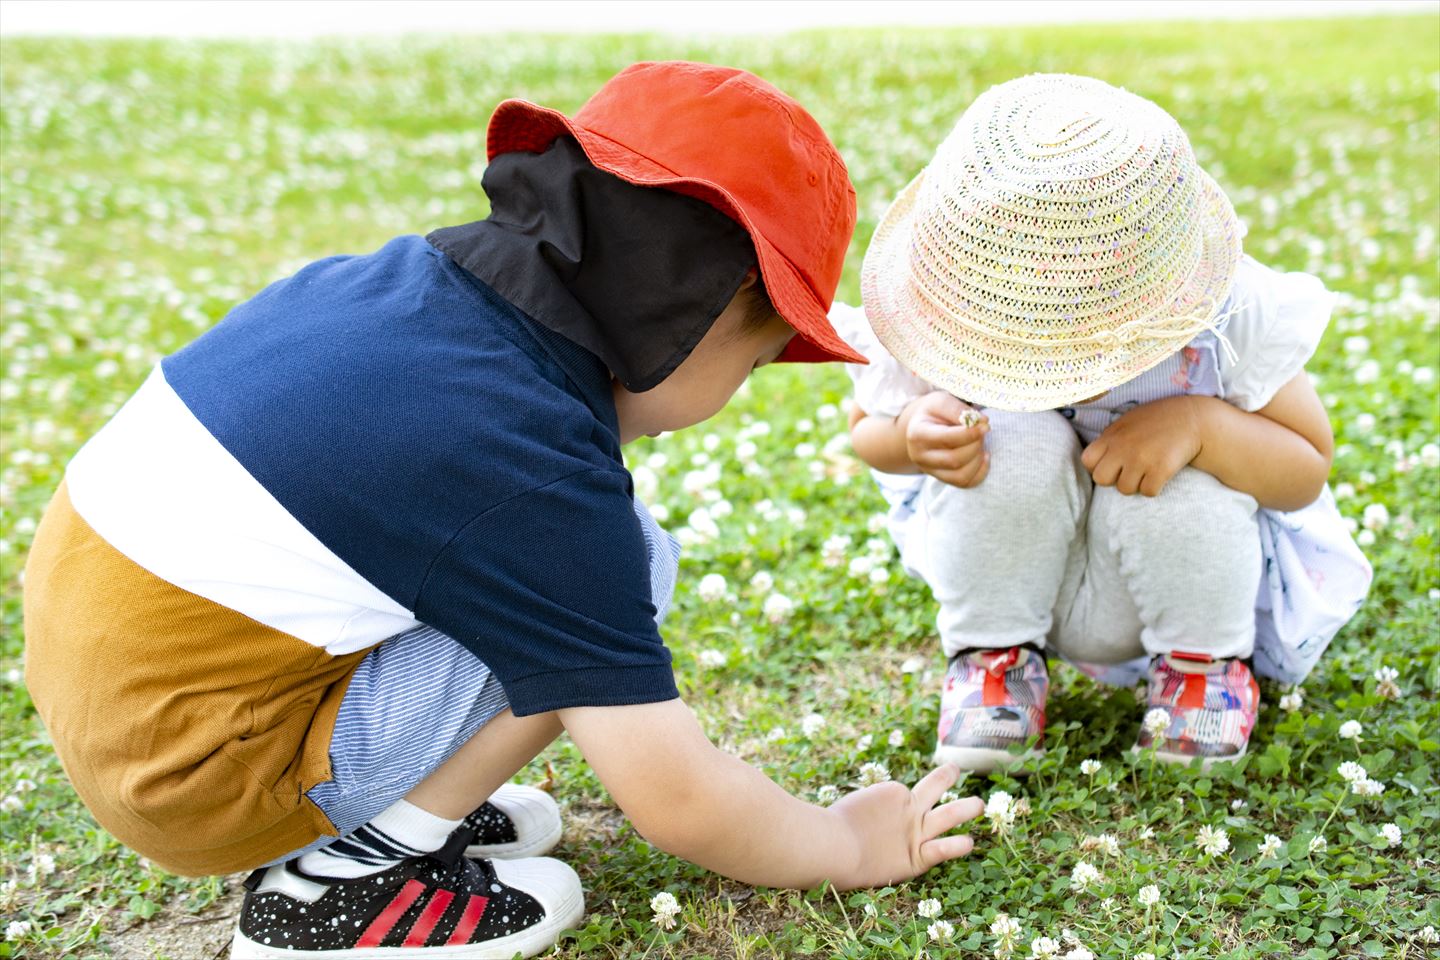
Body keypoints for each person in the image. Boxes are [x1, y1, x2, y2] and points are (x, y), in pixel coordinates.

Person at [22, 61, 984, 959]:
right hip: (200, 778)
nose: (741, 384)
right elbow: (678, 799)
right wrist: (844, 845)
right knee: (624, 567)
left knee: (559, 574)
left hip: (128, 704)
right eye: (759, 355)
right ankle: (339, 883)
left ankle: (393, 804)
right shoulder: (528, 460)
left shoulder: (399, 291)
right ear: (696, 310)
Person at [835, 73, 1371, 774]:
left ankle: (1202, 671)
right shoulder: (951, 313)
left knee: (1189, 477)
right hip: (1021, 582)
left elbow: (1304, 469)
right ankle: (993, 664)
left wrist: (1201, 426)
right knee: (1010, 439)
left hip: (1175, 582)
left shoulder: (1224, 317)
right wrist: (910, 435)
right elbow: (865, 431)